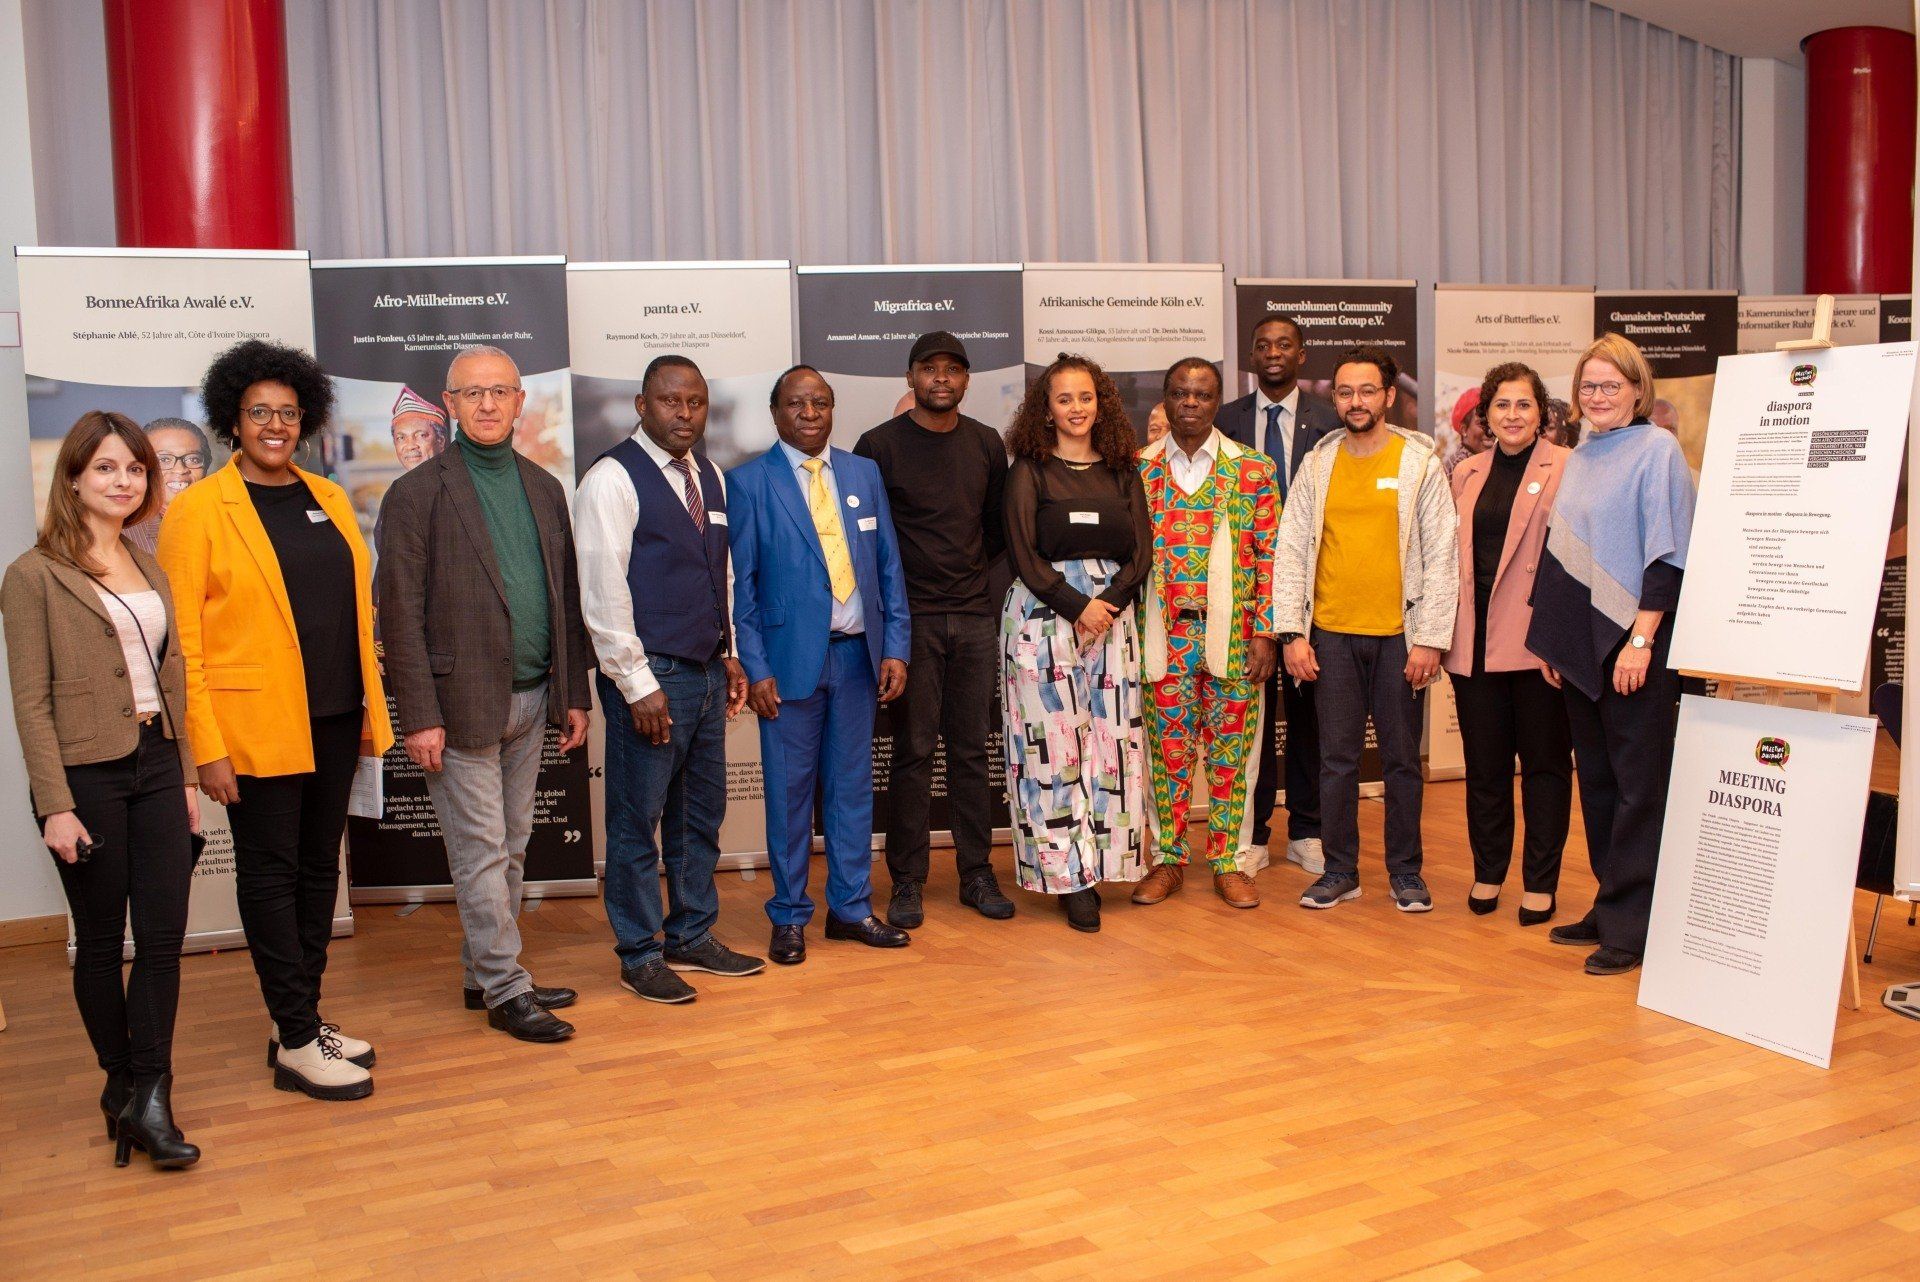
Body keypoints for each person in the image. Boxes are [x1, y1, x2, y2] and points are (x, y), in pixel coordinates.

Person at [158, 340, 393, 1101]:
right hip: (253, 727)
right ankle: (296, 1041)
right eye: (259, 411)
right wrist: (206, 747)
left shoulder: (328, 497)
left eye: (288, 413)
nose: (274, 425)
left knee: (321, 869)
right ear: (232, 419)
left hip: (334, 715)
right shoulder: (198, 510)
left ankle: (300, 1019)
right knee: (271, 874)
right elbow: (182, 646)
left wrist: (371, 707)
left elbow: (352, 610)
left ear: (306, 420)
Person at [375, 346, 594, 1043]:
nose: (489, 404)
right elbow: (397, 615)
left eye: (501, 391)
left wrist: (574, 694)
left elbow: (565, 600)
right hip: (457, 704)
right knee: (481, 853)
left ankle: (484, 974)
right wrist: (418, 716)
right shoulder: (415, 494)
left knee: (513, 846)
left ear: (520, 401)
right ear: (450, 404)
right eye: (473, 393)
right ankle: (507, 989)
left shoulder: (544, 488)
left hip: (533, 699)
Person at [2, 411, 201, 1169]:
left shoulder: (149, 566)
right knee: (99, 941)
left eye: (136, 469)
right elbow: (30, 702)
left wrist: (186, 776)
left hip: (158, 761)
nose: (125, 481)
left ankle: (152, 1092)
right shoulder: (33, 575)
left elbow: (172, 679)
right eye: (107, 468)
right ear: (75, 477)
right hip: (84, 775)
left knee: (162, 939)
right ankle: (120, 1083)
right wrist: (55, 804)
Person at [574, 355, 761, 1006]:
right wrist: (635, 683)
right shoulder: (610, 479)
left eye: (696, 402)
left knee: (699, 814)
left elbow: (721, 572)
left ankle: (691, 934)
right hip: (651, 677)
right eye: (670, 401)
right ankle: (640, 953)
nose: (685, 414)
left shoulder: (708, 474)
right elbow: (602, 592)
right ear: (641, 405)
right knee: (637, 821)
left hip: (706, 671)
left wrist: (730, 652)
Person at [730, 366, 912, 964]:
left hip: (858, 658)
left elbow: (888, 566)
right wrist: (756, 667)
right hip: (787, 665)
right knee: (789, 796)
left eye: (821, 403)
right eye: (796, 404)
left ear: (833, 409)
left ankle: (851, 909)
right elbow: (742, 588)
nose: (810, 414)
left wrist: (895, 646)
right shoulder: (749, 482)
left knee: (852, 790)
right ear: (775, 412)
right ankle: (788, 915)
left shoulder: (863, 473)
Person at [1526, 334, 1695, 977]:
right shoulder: (1585, 452)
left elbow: (1668, 556)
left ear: (1637, 390)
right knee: (1597, 783)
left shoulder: (1658, 450)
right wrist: (1556, 639)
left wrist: (1641, 641)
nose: (1597, 396)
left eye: (1610, 386)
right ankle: (1610, 904)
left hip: (1636, 647)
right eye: (1588, 386)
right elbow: (1564, 553)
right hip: (1585, 648)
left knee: (1637, 789)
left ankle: (1633, 925)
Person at [1274, 345, 1457, 914]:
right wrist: (1292, 633)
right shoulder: (1317, 464)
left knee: (1402, 762)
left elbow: (1442, 554)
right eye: (1345, 391)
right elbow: (1290, 550)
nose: (1356, 401)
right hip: (1329, 635)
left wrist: (1430, 639)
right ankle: (1340, 871)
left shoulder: (1419, 464)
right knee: (1336, 761)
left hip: (1401, 638)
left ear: (1389, 396)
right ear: (1335, 398)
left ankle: (1406, 872)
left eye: (1367, 391)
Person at [852, 331, 1013, 929]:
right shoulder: (878, 446)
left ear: (966, 379)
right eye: (929, 368)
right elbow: (870, 539)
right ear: (911, 377)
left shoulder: (986, 443)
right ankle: (908, 881)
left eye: (953, 369)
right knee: (913, 752)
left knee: (972, 750)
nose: (941, 378)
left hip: (973, 617)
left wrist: (966, 580)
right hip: (910, 622)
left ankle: (976, 873)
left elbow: (995, 530)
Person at [1000, 354, 1152, 932]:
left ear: (1101, 403)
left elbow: (1142, 551)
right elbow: (1022, 551)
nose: (1076, 408)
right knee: (1053, 749)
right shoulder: (1029, 470)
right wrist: (1076, 605)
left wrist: (1108, 603)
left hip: (1112, 619)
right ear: (1046, 410)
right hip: (1044, 619)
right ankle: (1070, 880)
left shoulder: (1122, 470)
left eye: (1086, 397)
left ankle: (1105, 864)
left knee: (1112, 745)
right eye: (1064, 399)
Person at [1131, 358, 1278, 910]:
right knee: (1166, 754)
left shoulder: (1253, 469)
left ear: (1218, 401)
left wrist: (1266, 633)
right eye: (1179, 393)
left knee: (1232, 755)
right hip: (1161, 637)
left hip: (1236, 638)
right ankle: (1167, 859)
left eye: (1202, 394)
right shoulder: (1137, 469)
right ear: (1166, 398)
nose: (1190, 403)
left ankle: (1228, 861)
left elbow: (1271, 557)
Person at [1442, 362, 1572, 926]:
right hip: (1474, 645)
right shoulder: (1467, 473)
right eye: (1501, 405)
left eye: (1524, 404)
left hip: (1538, 646)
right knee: (1485, 767)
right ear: (1485, 415)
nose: (1512, 415)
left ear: (1541, 412)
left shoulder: (1568, 466)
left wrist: (1560, 641)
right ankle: (1489, 869)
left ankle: (1540, 882)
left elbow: (1575, 563)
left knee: (1545, 767)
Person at [1219, 314, 1339, 878]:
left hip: (1317, 590)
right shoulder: (1225, 420)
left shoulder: (1331, 420)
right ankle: (1256, 831)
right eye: (1263, 345)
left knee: (1312, 716)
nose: (1273, 353)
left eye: (1284, 345)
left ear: (1301, 354)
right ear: (1251, 355)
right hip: (1247, 594)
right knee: (1254, 720)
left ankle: (1308, 829)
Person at [124, 417, 210, 554]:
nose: (180, 470)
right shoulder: (123, 536)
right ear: (141, 467)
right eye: (164, 459)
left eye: (193, 459)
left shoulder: (226, 524)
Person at [390, 386, 449, 471]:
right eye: (401, 438)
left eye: (421, 435)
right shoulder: (399, 481)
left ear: (441, 441)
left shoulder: (459, 478)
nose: (410, 446)